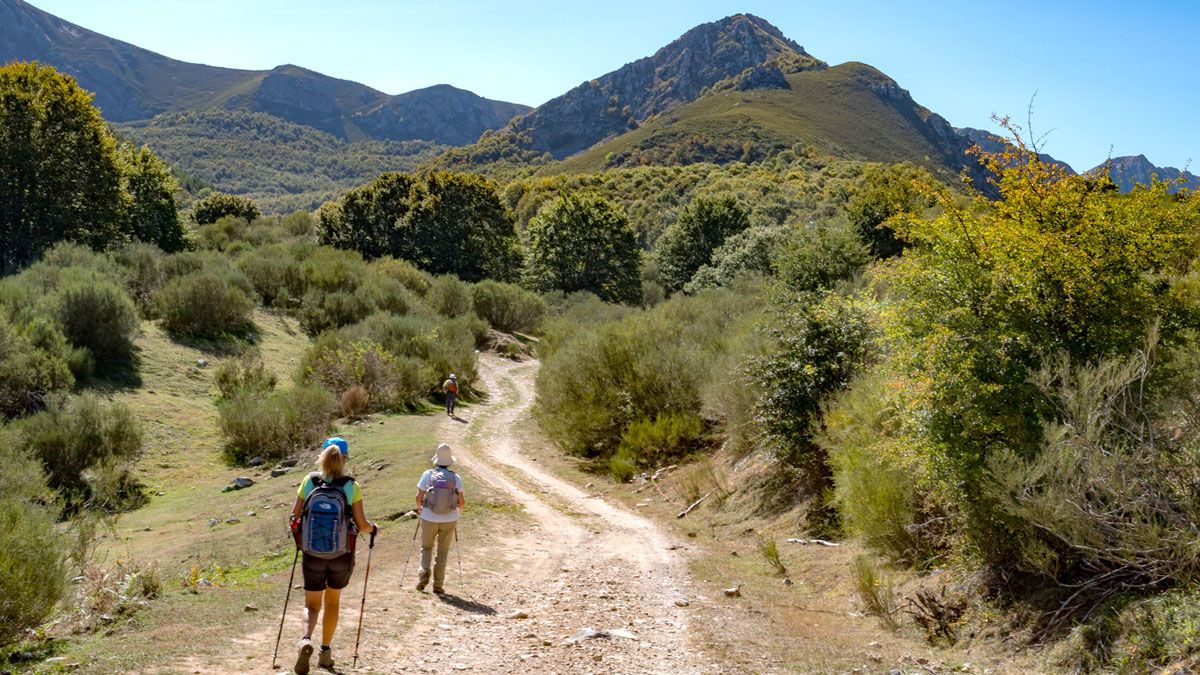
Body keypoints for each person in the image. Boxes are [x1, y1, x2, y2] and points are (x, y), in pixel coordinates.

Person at [290, 437, 378, 675]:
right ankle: (325, 652)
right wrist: (373, 528)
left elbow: (294, 517)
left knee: (311, 604)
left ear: (322, 457)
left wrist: (302, 540)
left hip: (312, 554)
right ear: (344, 459)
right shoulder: (351, 486)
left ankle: (305, 639)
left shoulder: (309, 481)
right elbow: (361, 525)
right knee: (332, 602)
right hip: (341, 555)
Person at [414, 443, 465, 593]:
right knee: (443, 552)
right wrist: (456, 510)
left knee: (426, 547)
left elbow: (419, 497)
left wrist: (420, 508)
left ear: (436, 460)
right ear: (450, 461)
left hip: (429, 517)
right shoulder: (456, 478)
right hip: (449, 519)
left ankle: (424, 574)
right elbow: (461, 501)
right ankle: (438, 585)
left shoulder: (427, 475)